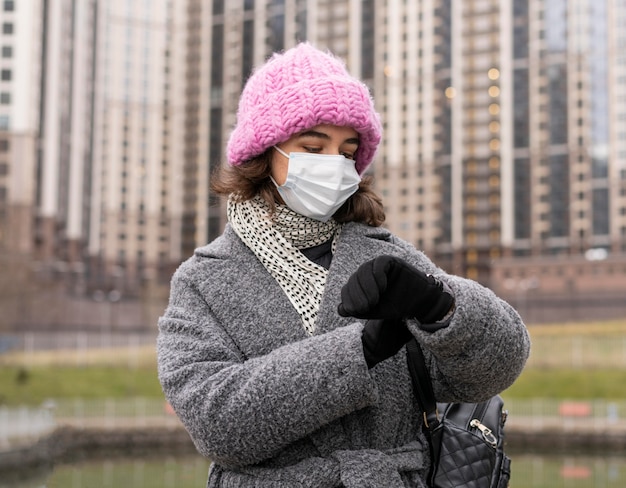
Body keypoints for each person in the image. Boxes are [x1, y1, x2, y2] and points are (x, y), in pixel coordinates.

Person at [157, 42, 530, 488]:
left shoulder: (385, 254)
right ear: (262, 154)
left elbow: (499, 365)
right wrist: (360, 351)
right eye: (313, 146)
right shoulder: (203, 281)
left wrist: (441, 306)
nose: (334, 165)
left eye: (347, 151)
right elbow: (218, 424)